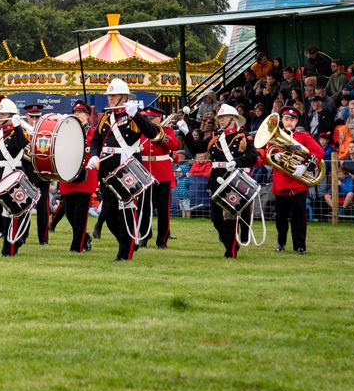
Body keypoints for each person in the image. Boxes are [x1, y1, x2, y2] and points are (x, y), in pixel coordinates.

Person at [84, 79, 163, 261]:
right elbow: (96, 139)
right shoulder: (106, 117)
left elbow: (152, 133)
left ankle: (124, 253)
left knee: (126, 211)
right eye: (109, 96)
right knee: (109, 214)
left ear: (124, 97)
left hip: (127, 169)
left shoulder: (134, 116)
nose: (110, 99)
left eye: (114, 95)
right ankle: (128, 242)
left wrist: (137, 115)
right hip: (107, 170)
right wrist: (94, 155)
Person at [188, 103, 259, 259]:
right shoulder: (215, 137)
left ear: (233, 119)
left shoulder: (243, 136)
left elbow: (253, 156)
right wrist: (186, 131)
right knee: (215, 218)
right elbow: (196, 148)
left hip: (232, 180)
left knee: (230, 217)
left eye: (224, 117)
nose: (221, 120)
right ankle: (229, 241)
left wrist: (237, 162)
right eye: (219, 117)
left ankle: (231, 250)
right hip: (216, 181)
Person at [0, 97, 34, 257]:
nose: (0, 117)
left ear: (12, 114)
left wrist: (17, 126)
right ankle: (14, 239)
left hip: (10, 174)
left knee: (10, 212)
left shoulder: (19, 131)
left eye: (4, 114)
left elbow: (23, 144)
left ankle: (9, 247)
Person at [269, 107, 324, 253]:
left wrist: (306, 166)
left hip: (298, 183)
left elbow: (319, 151)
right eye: (286, 119)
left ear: (296, 121)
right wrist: (275, 156)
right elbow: (266, 155)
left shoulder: (303, 136)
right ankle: (281, 242)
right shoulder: (275, 136)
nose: (289, 122)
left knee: (299, 217)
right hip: (281, 182)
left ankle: (300, 246)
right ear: (282, 120)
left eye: (292, 120)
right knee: (280, 217)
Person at [137, 107, 183, 249]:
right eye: (147, 119)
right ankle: (144, 236)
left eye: (152, 119)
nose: (149, 121)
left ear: (159, 119)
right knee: (144, 207)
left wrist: (160, 135)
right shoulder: (141, 131)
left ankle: (162, 240)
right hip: (144, 172)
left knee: (163, 210)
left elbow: (174, 145)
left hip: (162, 174)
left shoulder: (167, 130)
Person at [61, 100, 98, 253]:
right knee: (69, 212)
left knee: (80, 213)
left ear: (87, 115)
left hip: (85, 176)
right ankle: (85, 237)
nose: (77, 115)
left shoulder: (93, 132)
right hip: (68, 176)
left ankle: (77, 246)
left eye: (80, 112)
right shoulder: (66, 130)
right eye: (75, 112)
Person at [20, 103, 52, 245]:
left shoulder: (45, 131)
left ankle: (43, 238)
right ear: (26, 116)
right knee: (25, 206)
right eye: (31, 117)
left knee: (43, 208)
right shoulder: (22, 131)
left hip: (41, 174)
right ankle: (23, 235)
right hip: (27, 172)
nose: (34, 119)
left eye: (37, 117)